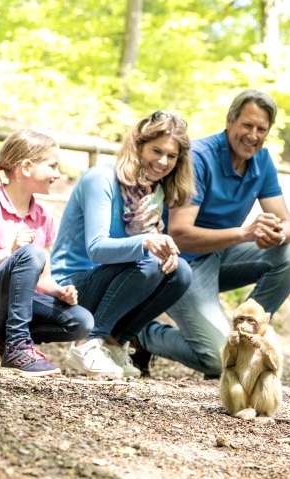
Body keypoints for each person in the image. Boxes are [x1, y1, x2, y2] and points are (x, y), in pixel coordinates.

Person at [136, 89, 290, 378]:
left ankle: (247, 337)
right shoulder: (199, 157)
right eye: (247, 125)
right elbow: (180, 234)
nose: (253, 135)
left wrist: (276, 234)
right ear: (229, 121)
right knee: (217, 360)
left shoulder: (262, 161)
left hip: (222, 255)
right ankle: (140, 333)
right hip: (181, 264)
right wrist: (246, 233)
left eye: (261, 129)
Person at [51, 111, 194, 379]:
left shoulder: (154, 193)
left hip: (114, 281)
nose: (163, 162)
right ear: (138, 145)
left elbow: (144, 249)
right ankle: (87, 343)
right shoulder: (100, 179)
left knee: (181, 272)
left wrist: (164, 253)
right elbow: (96, 248)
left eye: (172, 156)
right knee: (149, 258)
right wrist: (148, 242)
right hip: (70, 286)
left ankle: (114, 343)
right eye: (156, 151)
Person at [0, 129, 93, 376]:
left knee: (82, 322)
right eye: (52, 166)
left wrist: (59, 292)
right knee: (30, 252)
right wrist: (8, 252)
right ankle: (19, 347)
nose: (57, 174)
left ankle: (6, 339)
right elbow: (25, 257)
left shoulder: (43, 218)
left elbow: (43, 278)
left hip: (13, 306)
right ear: (27, 167)